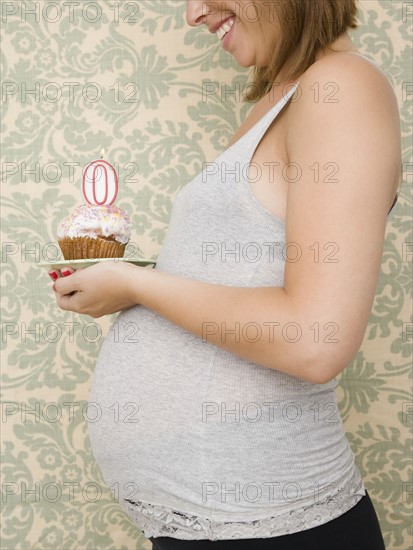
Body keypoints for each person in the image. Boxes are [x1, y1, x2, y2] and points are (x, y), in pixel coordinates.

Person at [50, 1, 401, 548]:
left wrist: (138, 284)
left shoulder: (342, 87)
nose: (193, 14)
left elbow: (314, 340)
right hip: (219, 524)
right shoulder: (284, 98)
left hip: (278, 527)